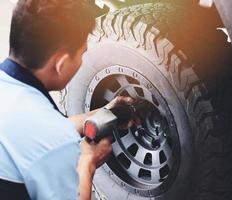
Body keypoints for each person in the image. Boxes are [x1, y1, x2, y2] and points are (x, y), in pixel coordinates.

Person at [0, 0, 135, 199]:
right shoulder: (55, 141)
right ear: (60, 64)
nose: (82, 60)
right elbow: (49, 138)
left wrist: (103, 112)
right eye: (82, 53)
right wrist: (87, 163)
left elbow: (34, 132)